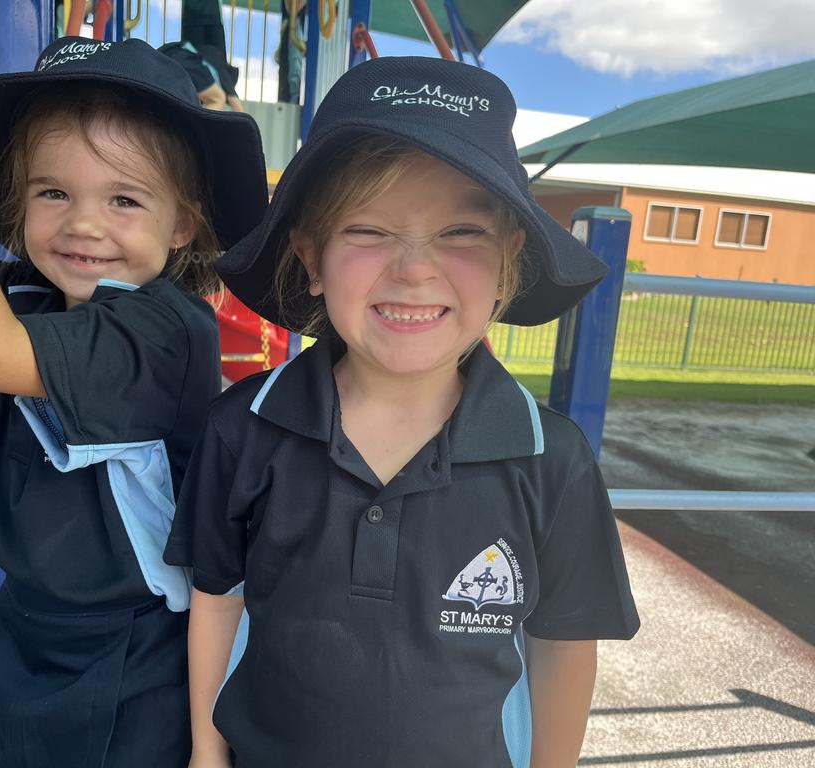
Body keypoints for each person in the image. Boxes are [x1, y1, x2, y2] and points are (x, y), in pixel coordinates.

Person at [164, 56, 640, 768]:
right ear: (311, 257)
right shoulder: (243, 427)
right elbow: (216, 594)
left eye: (460, 233)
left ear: (510, 260)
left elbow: (564, 645)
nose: (415, 268)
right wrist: (206, 750)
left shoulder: (551, 459)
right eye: (367, 230)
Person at [0, 2, 267, 765]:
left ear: (182, 225)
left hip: (131, 658)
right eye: (52, 192)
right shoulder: (38, 295)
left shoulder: (163, 331)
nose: (83, 224)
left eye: (124, 199)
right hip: (31, 632)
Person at [159, 41, 245, 112]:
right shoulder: (225, 73)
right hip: (183, 58)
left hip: (162, 57)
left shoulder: (209, 62)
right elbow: (239, 110)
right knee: (218, 99)